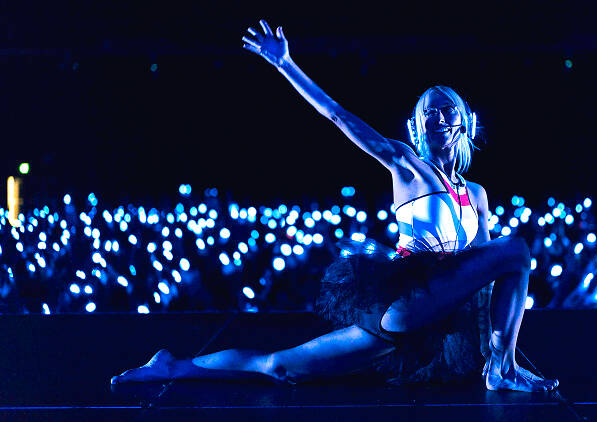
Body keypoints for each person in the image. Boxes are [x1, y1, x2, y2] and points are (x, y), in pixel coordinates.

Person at [110, 19, 559, 392]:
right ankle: (503, 371)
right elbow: (338, 115)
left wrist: (479, 338)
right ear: (417, 125)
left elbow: (478, 276)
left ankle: (173, 365)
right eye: (427, 111)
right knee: (517, 248)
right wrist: (286, 63)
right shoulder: (405, 164)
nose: (436, 117)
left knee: (279, 368)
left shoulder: (476, 195)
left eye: (445, 110)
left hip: (432, 314)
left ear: (463, 121)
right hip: (405, 300)